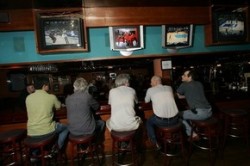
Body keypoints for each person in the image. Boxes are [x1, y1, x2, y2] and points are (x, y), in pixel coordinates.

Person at [26, 77, 69, 156]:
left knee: (37, 141)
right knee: (67, 127)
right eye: (48, 85)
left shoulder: (28, 98)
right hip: (47, 131)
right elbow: (58, 107)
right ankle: (57, 148)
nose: (49, 87)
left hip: (32, 132)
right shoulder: (51, 97)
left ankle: (35, 154)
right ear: (44, 86)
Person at [65, 77, 105, 144]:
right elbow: (97, 107)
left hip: (73, 131)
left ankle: (85, 146)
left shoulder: (68, 98)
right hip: (87, 130)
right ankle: (97, 143)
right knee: (102, 123)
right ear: (85, 87)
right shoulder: (87, 96)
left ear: (74, 86)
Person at [145, 75, 179, 150]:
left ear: (155, 82)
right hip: (175, 120)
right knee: (156, 115)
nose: (151, 84)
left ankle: (155, 142)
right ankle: (175, 139)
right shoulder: (169, 88)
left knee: (148, 122)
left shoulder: (150, 90)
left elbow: (146, 101)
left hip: (161, 121)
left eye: (151, 82)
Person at [176, 69, 212, 140]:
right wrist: (186, 95)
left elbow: (178, 95)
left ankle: (193, 134)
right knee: (188, 112)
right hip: (209, 111)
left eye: (184, 75)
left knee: (176, 116)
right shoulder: (199, 83)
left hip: (200, 113)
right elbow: (193, 94)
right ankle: (195, 130)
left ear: (190, 77)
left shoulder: (184, 84)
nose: (182, 76)